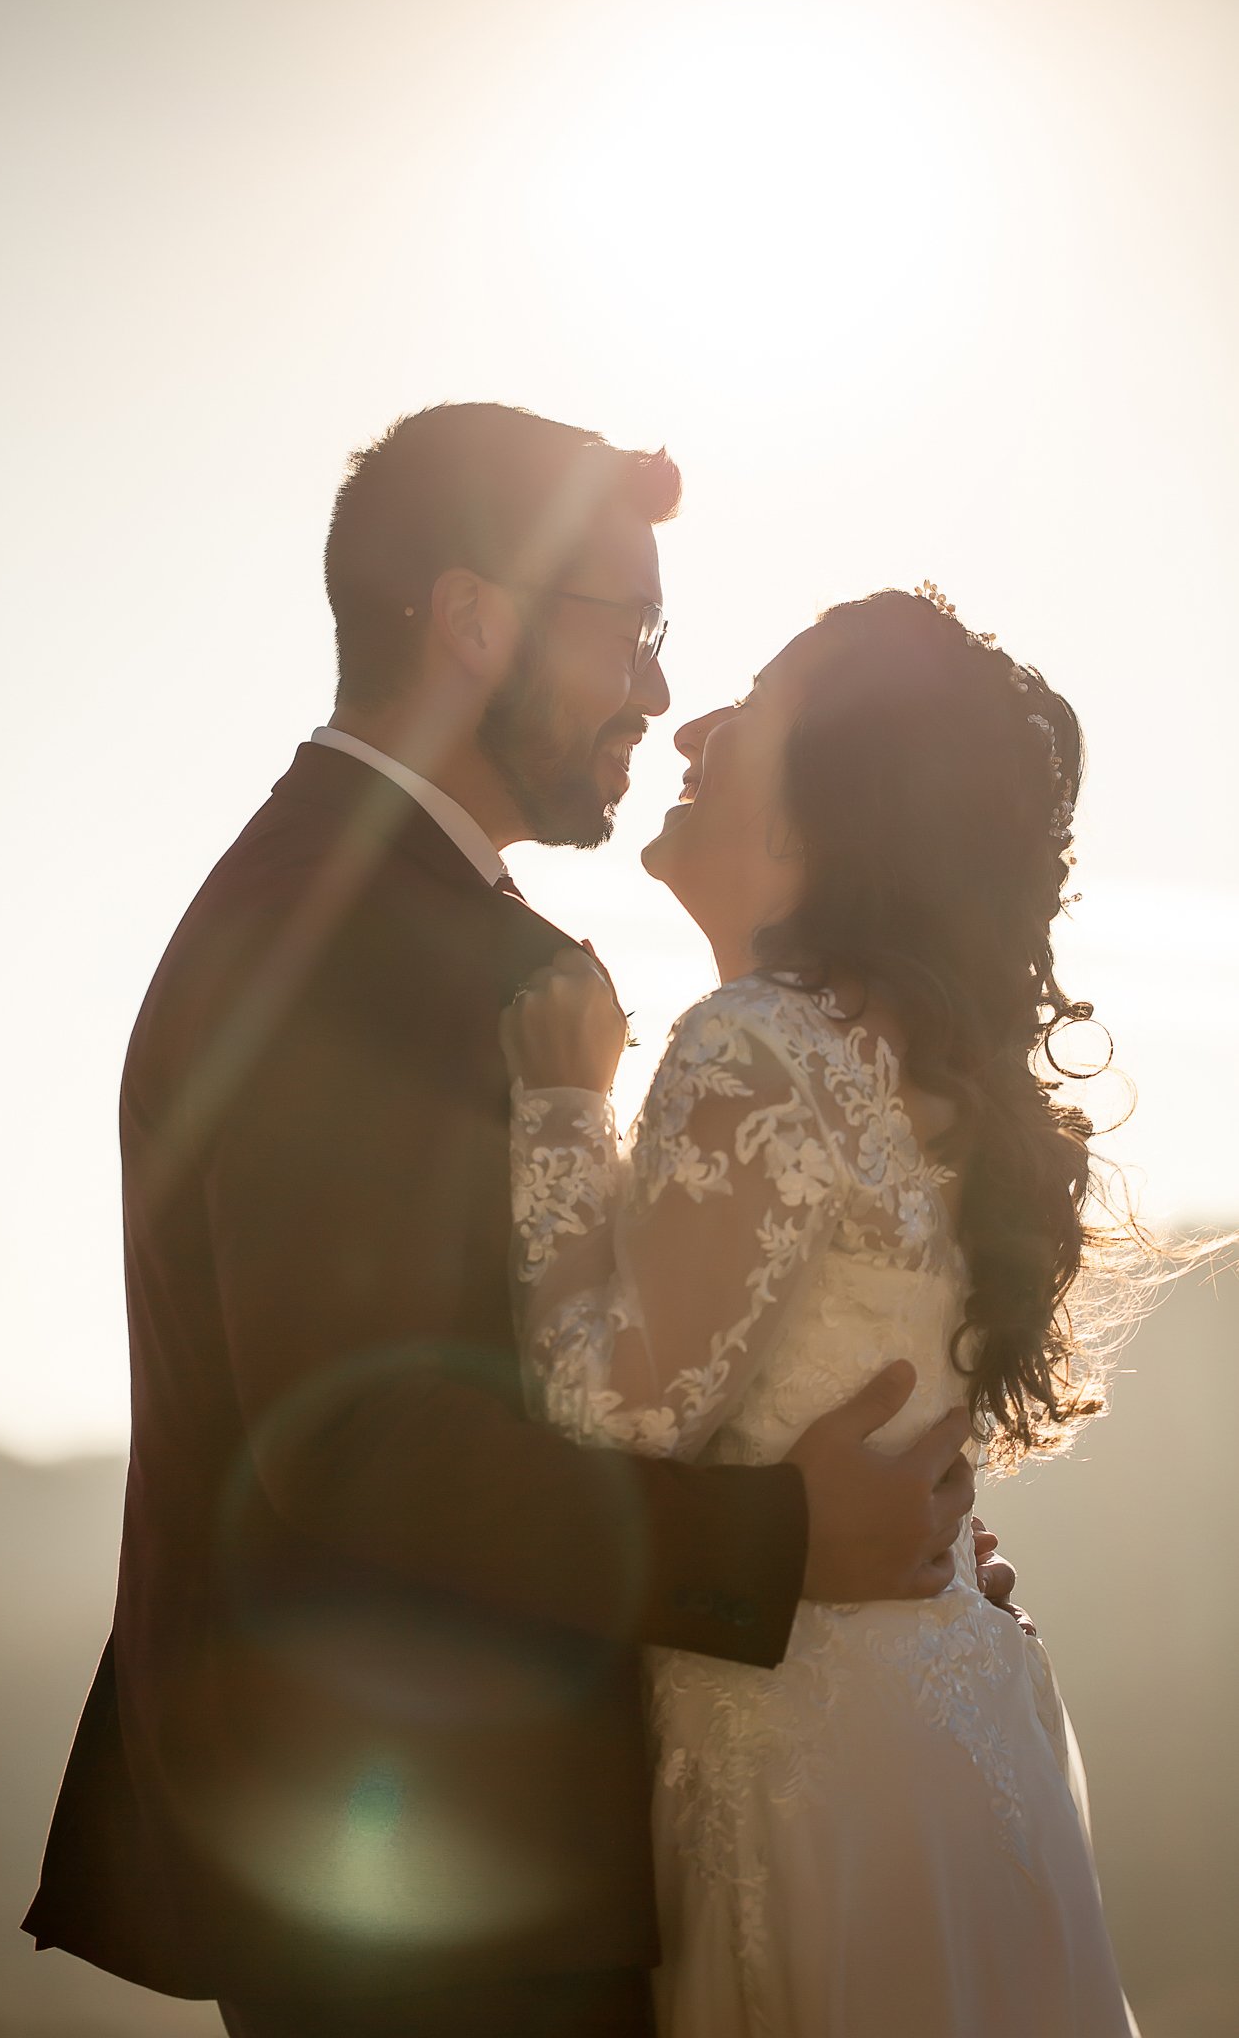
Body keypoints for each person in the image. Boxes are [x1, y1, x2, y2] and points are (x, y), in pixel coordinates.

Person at [23, 409, 986, 2037]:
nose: (658, 694)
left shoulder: (405, 914)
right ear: (473, 621)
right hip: (416, 1876)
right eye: (631, 632)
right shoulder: (341, 943)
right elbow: (362, 1445)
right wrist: (790, 1544)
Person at [501, 585, 1137, 2037]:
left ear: (821, 808)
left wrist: (553, 1116)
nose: (698, 728)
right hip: (952, 1726)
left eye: (753, 709)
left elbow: (604, 1408)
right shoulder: (923, 1070)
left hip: (805, 1756)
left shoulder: (758, 1045)